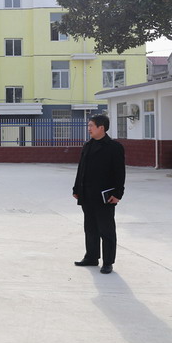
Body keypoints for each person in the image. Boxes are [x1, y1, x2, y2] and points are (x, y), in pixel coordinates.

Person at [72, 114, 125, 274]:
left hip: (105, 196)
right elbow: (81, 169)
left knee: (106, 230)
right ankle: (91, 257)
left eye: (91, 126)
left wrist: (118, 194)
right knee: (90, 228)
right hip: (87, 194)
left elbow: (120, 173)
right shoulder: (87, 145)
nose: (88, 129)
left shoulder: (114, 147)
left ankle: (108, 262)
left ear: (101, 128)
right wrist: (76, 189)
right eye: (88, 126)